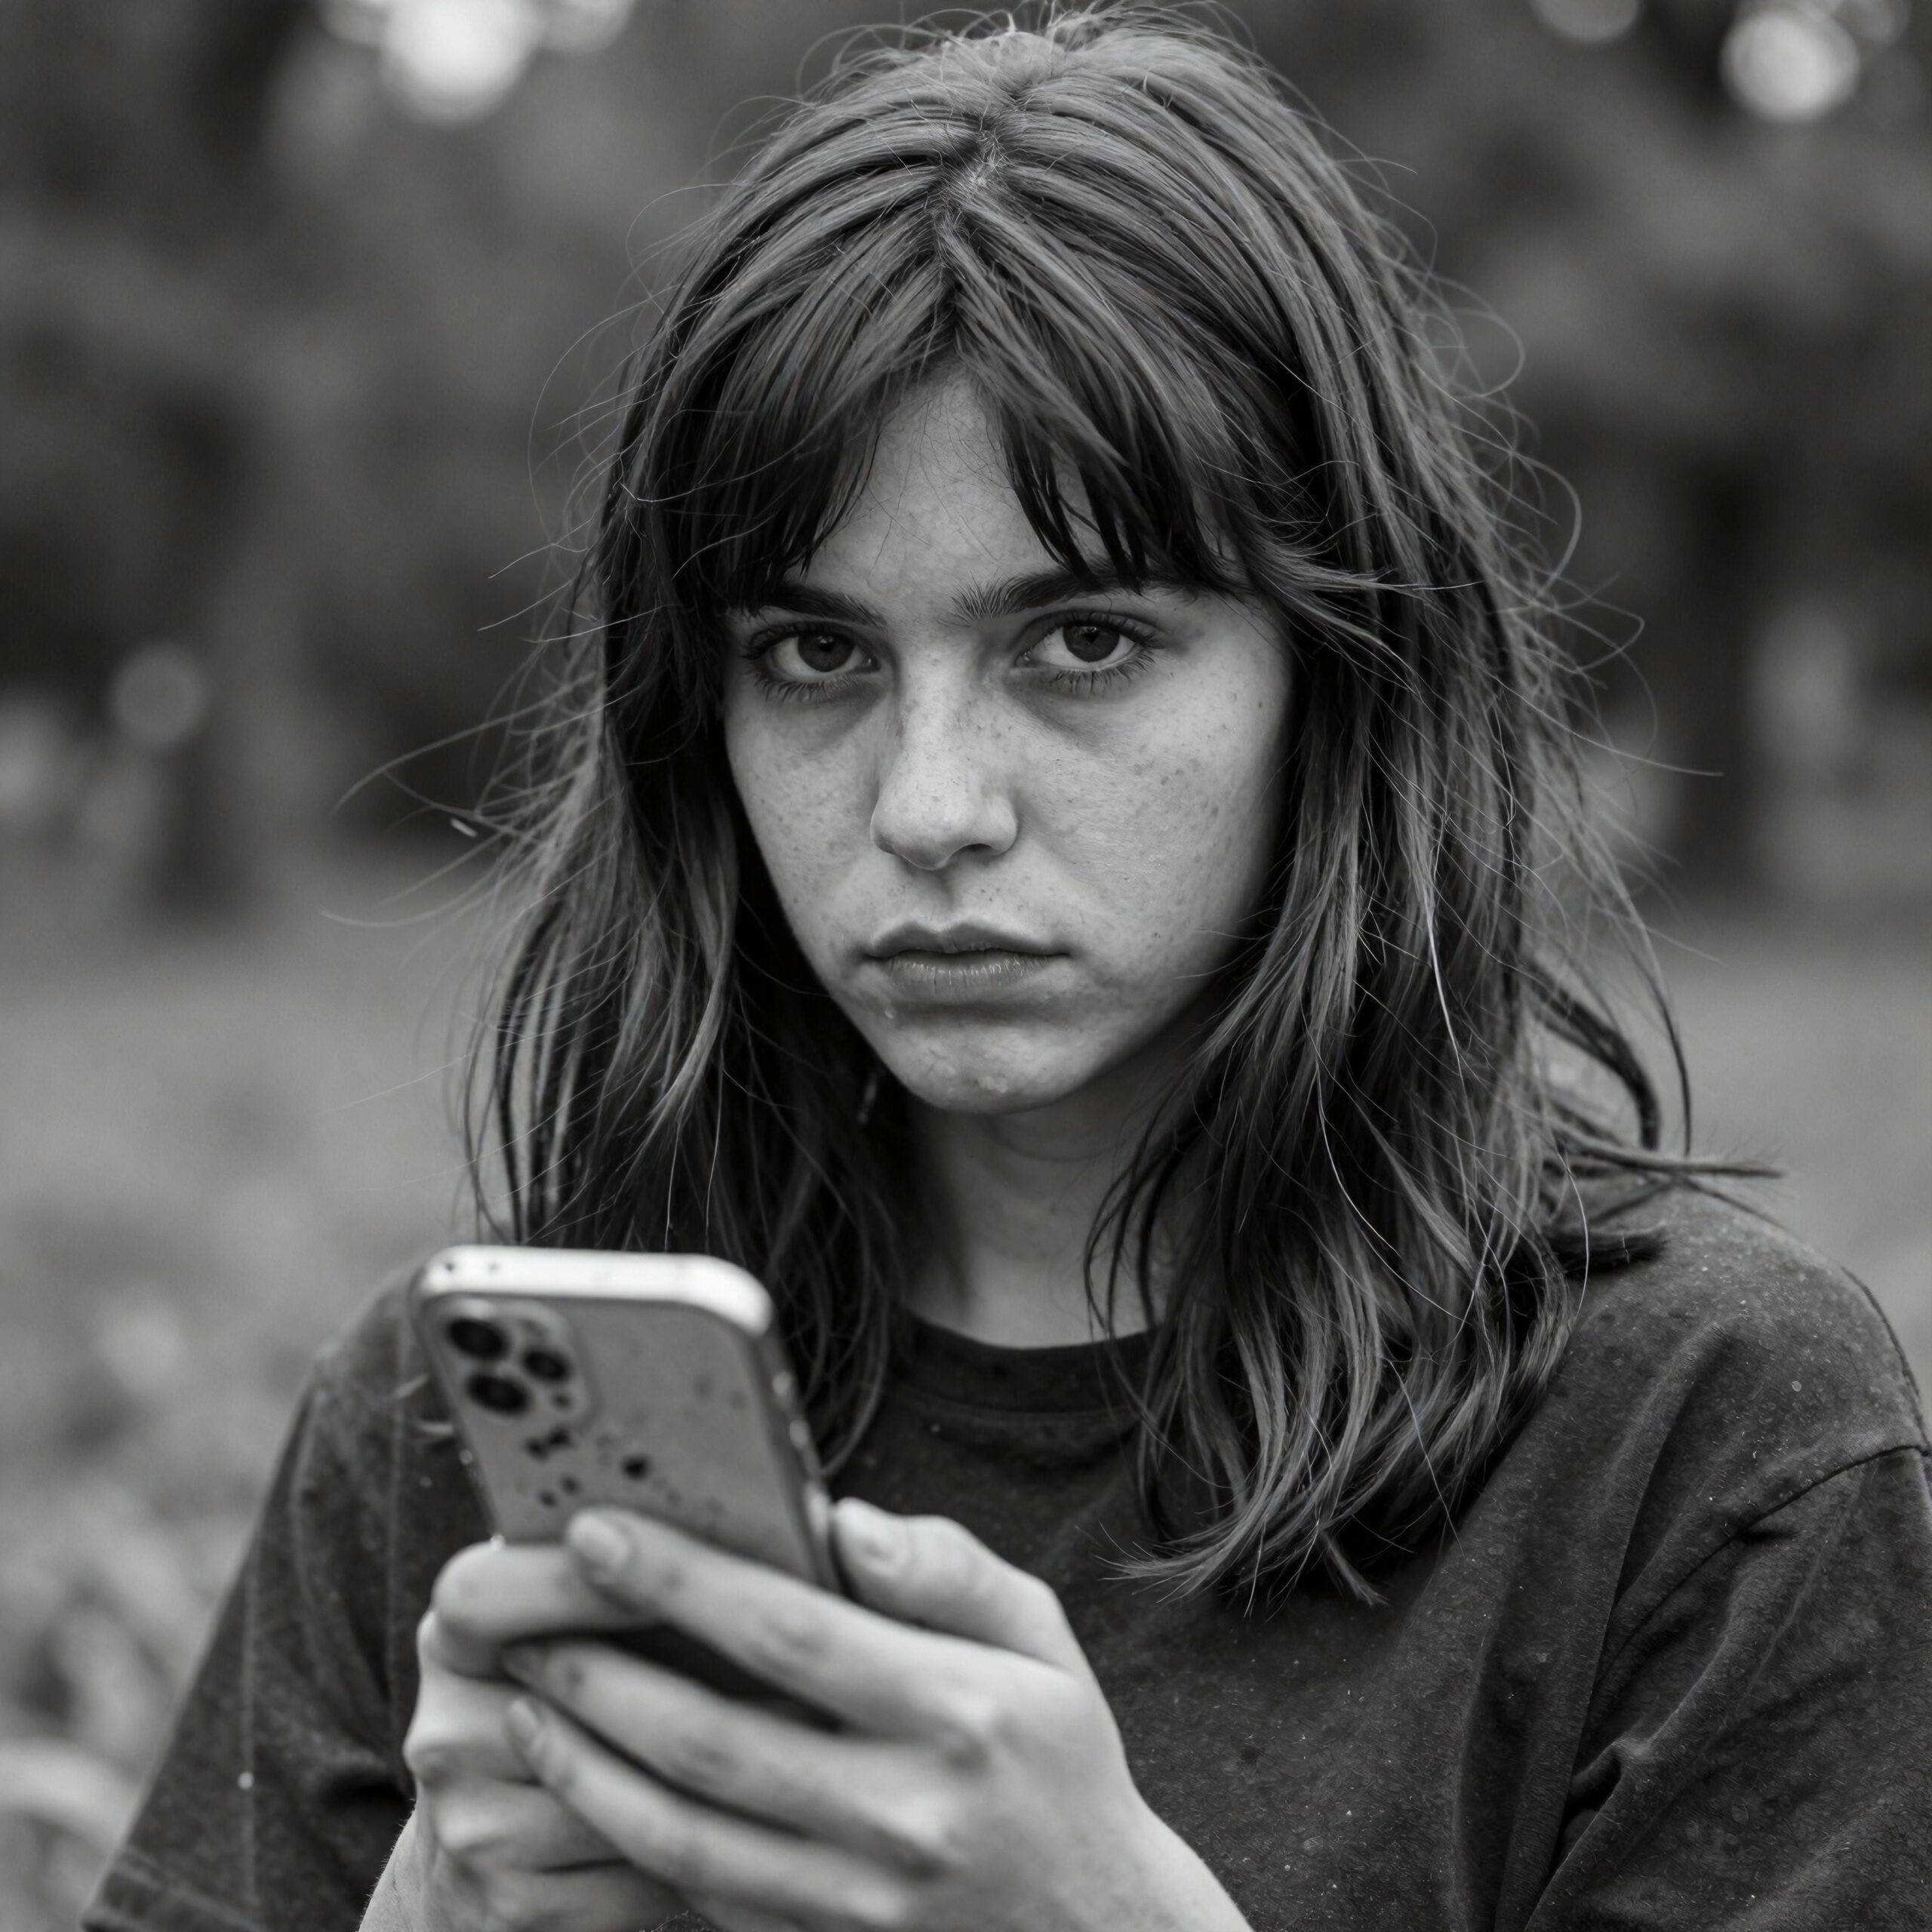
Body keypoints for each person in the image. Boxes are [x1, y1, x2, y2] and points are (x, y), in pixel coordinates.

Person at [86, 12, 1931, 1932]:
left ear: (1340, 671)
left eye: (1083, 643)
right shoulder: (464, 1416)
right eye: (816, 654)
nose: (928, 805)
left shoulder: (1706, 1446)